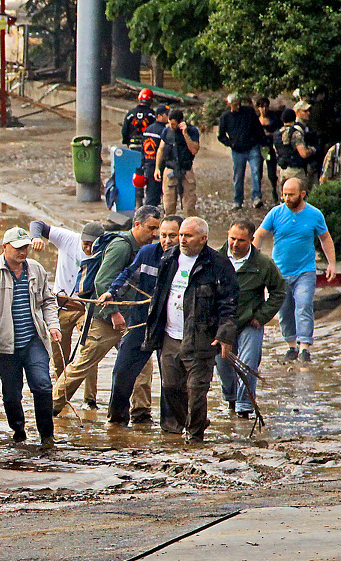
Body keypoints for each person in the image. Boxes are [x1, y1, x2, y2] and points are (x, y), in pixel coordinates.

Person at [52, 206, 161, 415]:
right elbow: (103, 281)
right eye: (151, 228)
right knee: (82, 365)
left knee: (142, 367)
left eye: (157, 229)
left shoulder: (144, 250)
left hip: (132, 319)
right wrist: (113, 313)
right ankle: (50, 409)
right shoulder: (121, 246)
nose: (154, 234)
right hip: (105, 319)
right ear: (136, 225)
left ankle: (141, 414)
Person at [143, 217, 238, 442]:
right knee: (170, 387)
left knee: (196, 391)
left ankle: (195, 438)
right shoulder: (169, 257)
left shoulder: (218, 264)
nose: (182, 240)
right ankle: (192, 423)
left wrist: (225, 335)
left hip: (201, 338)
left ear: (203, 239)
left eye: (188, 236)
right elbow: (159, 296)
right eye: (181, 235)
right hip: (169, 336)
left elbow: (229, 303)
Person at [0, 226, 61, 447]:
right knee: (11, 395)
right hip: (5, 344)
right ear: (5, 247)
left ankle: (47, 436)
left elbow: (48, 301)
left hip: (34, 340)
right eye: (18, 248)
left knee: (43, 385)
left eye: (26, 248)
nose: (23, 252)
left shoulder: (37, 270)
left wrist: (53, 325)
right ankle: (19, 432)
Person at [99, 215, 182, 426]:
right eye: (163, 235)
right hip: (142, 323)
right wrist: (112, 294)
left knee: (171, 381)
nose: (167, 240)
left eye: (173, 236)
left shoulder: (189, 261)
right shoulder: (147, 253)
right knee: (122, 372)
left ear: (182, 236)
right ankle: (116, 422)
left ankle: (171, 428)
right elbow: (127, 276)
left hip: (172, 329)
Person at [253, 178, 337, 363]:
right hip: (280, 273)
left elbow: (325, 238)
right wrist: (253, 259)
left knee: (304, 304)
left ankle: (305, 347)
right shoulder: (276, 213)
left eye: (291, 194)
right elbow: (259, 235)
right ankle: (291, 345)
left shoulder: (315, 214)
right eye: (284, 194)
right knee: (284, 311)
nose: (286, 198)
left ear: (302, 194)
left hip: (305, 270)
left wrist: (331, 263)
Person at [29, 219, 104, 408]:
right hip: (61, 307)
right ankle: (61, 396)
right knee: (59, 356)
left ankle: (90, 399)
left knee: (89, 350)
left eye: (91, 245)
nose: (88, 248)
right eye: (85, 244)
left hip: (86, 309)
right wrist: (36, 238)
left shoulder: (106, 250)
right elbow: (37, 223)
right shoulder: (68, 239)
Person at [214, 220, 285, 418]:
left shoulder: (262, 263)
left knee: (248, 364)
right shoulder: (215, 259)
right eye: (232, 239)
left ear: (252, 240)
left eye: (241, 240)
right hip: (221, 324)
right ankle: (231, 399)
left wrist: (261, 316)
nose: (235, 244)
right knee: (223, 364)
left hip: (249, 322)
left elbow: (279, 291)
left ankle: (244, 407)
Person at [218, 94, 265, 210]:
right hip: (237, 150)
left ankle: (257, 197)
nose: (237, 106)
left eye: (238, 103)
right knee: (238, 176)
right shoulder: (225, 117)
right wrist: (231, 144)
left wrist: (263, 142)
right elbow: (221, 136)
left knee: (256, 172)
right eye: (234, 104)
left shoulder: (248, 112)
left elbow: (257, 127)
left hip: (252, 146)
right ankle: (238, 200)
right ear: (229, 104)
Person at [155, 109, 201, 217]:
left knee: (189, 204)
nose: (172, 126)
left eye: (174, 124)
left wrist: (185, 134)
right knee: (168, 204)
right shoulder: (166, 131)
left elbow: (194, 149)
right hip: (170, 169)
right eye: (170, 123)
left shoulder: (192, 131)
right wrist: (157, 168)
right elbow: (161, 150)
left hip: (186, 169)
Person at [274, 107, 316, 189]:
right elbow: (303, 154)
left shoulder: (277, 134)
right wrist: (312, 150)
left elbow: (276, 151)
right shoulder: (295, 133)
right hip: (296, 171)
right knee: (300, 195)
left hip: (282, 171)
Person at [141, 104, 169, 207]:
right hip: (158, 166)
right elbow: (164, 150)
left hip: (148, 165)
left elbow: (143, 148)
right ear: (160, 116)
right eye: (167, 115)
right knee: (155, 197)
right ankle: (149, 217)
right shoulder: (163, 131)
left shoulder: (148, 129)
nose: (168, 117)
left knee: (150, 194)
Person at [256, 97, 283, 205]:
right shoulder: (256, 120)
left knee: (271, 171)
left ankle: (274, 189)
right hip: (260, 147)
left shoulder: (274, 119)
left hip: (271, 147)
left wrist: (271, 135)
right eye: (262, 106)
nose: (264, 109)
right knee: (257, 171)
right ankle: (258, 194)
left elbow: (279, 130)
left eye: (266, 106)